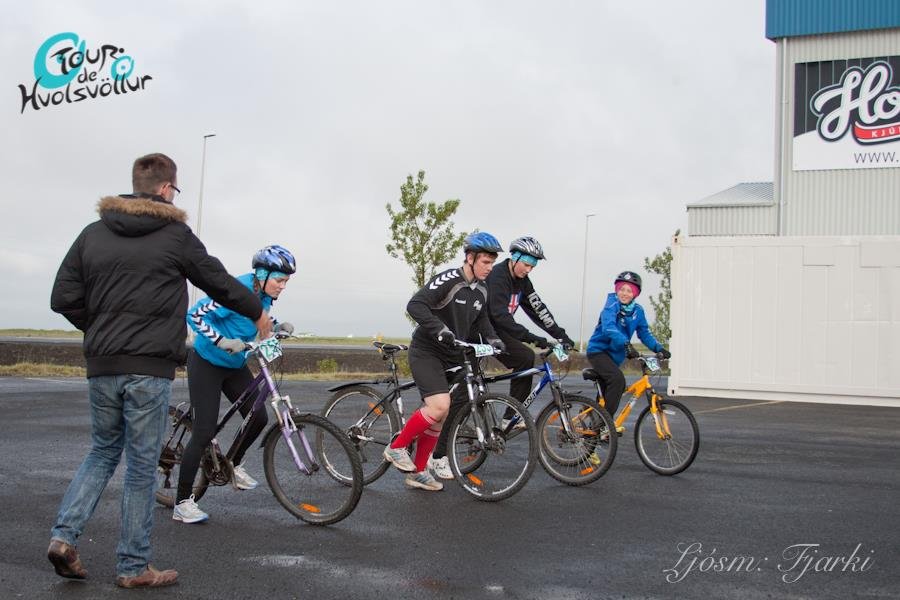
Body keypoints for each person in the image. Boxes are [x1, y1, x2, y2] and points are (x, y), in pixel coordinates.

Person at [48, 153, 270, 589]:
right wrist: (256, 310)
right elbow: (219, 282)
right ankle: (133, 566)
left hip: (102, 364)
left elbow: (63, 296)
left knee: (102, 451)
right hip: (148, 367)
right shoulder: (175, 236)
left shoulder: (92, 234)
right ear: (167, 189)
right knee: (140, 465)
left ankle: (63, 537)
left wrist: (100, 328)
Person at [173, 245, 296, 524]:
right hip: (207, 362)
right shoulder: (234, 290)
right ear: (262, 274)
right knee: (204, 430)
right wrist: (221, 341)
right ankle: (182, 502)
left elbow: (253, 321)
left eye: (287, 281)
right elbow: (194, 315)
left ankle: (234, 464)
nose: (283, 286)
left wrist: (276, 326)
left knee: (259, 416)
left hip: (234, 364)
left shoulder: (264, 297)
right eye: (280, 280)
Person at [381, 232, 505, 491]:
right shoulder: (450, 280)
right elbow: (415, 305)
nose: (489, 268)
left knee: (441, 414)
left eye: (492, 263)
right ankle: (396, 447)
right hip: (427, 351)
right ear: (470, 258)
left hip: (452, 354)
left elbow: (481, 320)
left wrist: (493, 339)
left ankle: (418, 472)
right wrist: (439, 328)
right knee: (439, 406)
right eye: (485, 262)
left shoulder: (482, 289)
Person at [585, 271, 670, 421]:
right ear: (617, 290)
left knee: (609, 391)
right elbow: (609, 328)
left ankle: (595, 425)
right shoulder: (611, 305)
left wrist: (659, 348)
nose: (624, 293)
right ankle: (605, 425)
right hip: (599, 351)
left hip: (615, 357)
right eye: (622, 289)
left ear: (635, 294)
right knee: (618, 380)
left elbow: (644, 333)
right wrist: (626, 344)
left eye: (629, 290)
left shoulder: (638, 311)